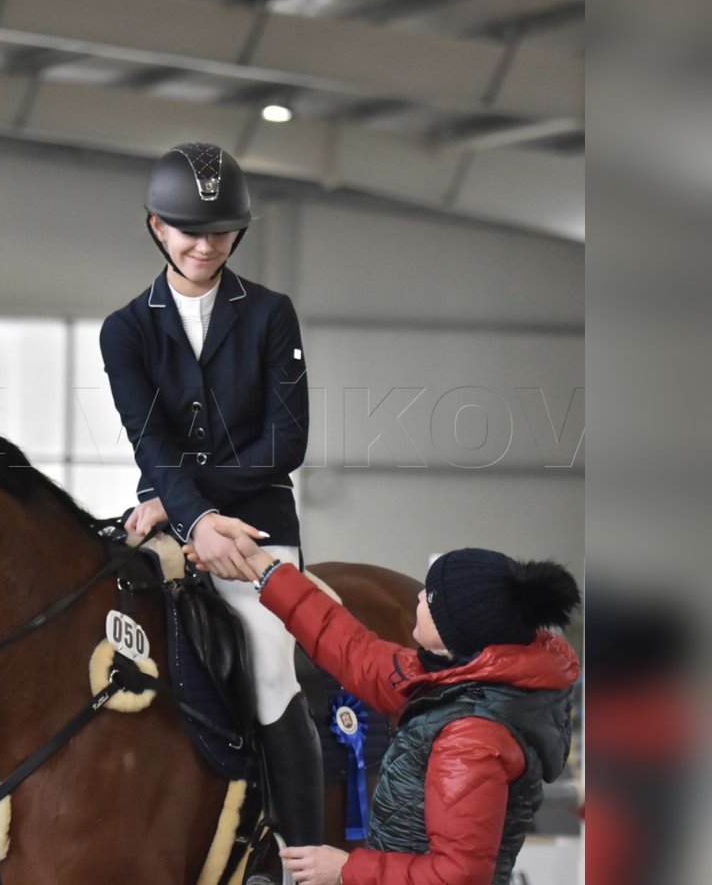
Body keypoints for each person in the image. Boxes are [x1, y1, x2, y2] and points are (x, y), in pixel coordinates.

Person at [100, 142, 323, 855]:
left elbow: (285, 445)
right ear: (156, 227)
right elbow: (150, 442)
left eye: (220, 232)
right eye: (189, 230)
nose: (205, 245)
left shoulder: (270, 315)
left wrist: (189, 506)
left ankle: (295, 858)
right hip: (167, 524)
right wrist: (189, 516)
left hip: (257, 526)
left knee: (266, 670)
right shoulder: (126, 330)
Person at [193, 543, 580, 885]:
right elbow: (353, 649)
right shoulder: (455, 682)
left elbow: (459, 876)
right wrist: (267, 571)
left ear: (455, 634)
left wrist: (345, 870)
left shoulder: (472, 736)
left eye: (431, 599)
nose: (418, 597)